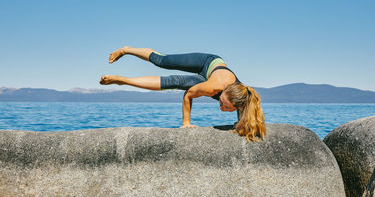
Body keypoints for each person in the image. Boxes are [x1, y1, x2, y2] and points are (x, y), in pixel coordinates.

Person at [100, 46, 266, 142]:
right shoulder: (212, 88)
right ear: (219, 93)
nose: (221, 106)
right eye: (221, 102)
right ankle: (127, 50)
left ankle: (124, 80)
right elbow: (188, 95)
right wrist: (186, 122)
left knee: (175, 81)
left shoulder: (244, 98)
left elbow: (253, 117)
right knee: (164, 64)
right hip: (207, 63)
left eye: (224, 105)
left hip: (214, 78)